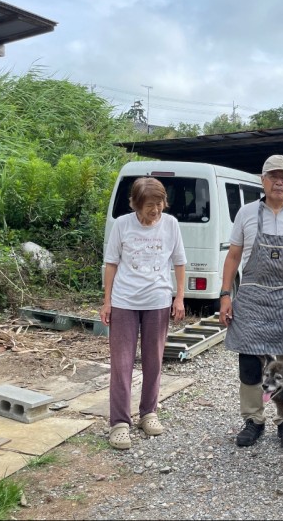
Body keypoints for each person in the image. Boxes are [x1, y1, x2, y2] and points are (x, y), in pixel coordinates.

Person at [219, 154, 283, 451]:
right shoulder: (246, 213)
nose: (279, 181)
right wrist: (226, 295)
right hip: (252, 297)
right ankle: (253, 419)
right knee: (250, 362)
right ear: (263, 180)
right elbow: (234, 256)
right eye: (273, 176)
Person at [100, 177, 186, 450]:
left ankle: (148, 413)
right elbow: (111, 264)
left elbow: (179, 262)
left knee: (154, 361)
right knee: (122, 364)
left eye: (159, 203)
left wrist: (179, 297)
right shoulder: (122, 224)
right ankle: (119, 423)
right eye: (150, 205)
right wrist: (107, 301)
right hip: (124, 301)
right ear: (136, 204)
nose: (156, 210)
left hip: (158, 300)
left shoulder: (171, 224)